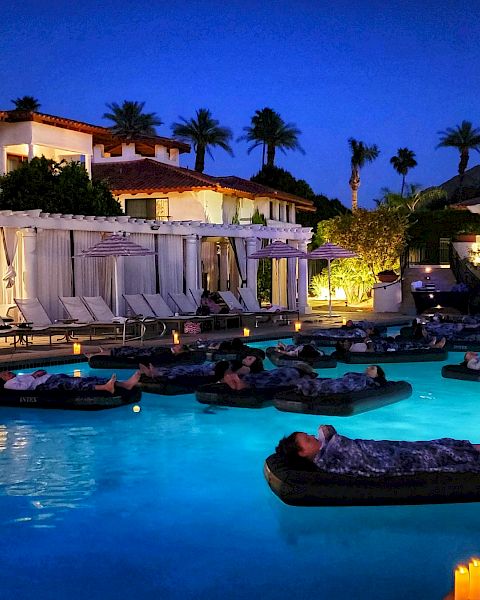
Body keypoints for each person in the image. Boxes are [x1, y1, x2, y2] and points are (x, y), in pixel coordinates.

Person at [276, 425, 480, 477]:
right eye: (307, 440)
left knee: (440, 443)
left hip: (385, 451)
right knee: (441, 453)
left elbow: (330, 435)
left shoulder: (324, 451)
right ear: (302, 453)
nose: (312, 437)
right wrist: (327, 435)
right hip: (392, 462)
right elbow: (347, 450)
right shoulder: (325, 461)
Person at [0, 369, 141, 394]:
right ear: (4, 380)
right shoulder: (9, 384)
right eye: (5, 374)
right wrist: (35, 376)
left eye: (7, 371)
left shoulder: (19, 375)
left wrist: (39, 372)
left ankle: (125, 384)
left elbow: (33, 374)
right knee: (74, 384)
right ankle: (105, 387)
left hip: (51, 377)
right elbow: (25, 388)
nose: (8, 373)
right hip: (45, 386)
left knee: (86, 378)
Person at [295, 365, 387, 397]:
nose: (368, 368)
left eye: (372, 368)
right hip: (341, 382)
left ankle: (305, 386)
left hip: (344, 385)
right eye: (368, 367)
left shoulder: (370, 382)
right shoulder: (360, 375)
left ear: (377, 375)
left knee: (327, 386)